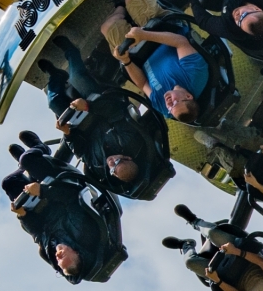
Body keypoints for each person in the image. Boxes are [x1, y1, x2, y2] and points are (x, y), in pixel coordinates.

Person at [38, 35, 167, 192]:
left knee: (54, 102)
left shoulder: (100, 167)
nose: (111, 163)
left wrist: (68, 134)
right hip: (100, 104)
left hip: (82, 124)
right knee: (77, 78)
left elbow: (82, 152)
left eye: (113, 170)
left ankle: (54, 75)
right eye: (117, 162)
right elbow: (115, 111)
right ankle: (71, 51)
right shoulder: (131, 140)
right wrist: (88, 106)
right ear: (128, 158)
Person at [99, 0, 209, 122]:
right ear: (188, 96)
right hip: (162, 29)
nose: (169, 104)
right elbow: (181, 42)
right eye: (175, 103)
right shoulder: (196, 76)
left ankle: (120, 5)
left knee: (107, 27)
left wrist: (126, 61)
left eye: (170, 109)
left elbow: (143, 84)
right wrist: (144, 35)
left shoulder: (162, 106)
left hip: (139, 52)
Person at [2, 134, 105, 284]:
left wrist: (23, 215)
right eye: (63, 256)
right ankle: (40, 149)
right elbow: (71, 197)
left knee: (9, 183)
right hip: (62, 186)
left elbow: (38, 234)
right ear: (77, 253)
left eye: (58, 262)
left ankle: (25, 167)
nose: (58, 256)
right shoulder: (83, 233)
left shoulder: (49, 252)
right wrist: (42, 191)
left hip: (41, 206)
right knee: (27, 159)